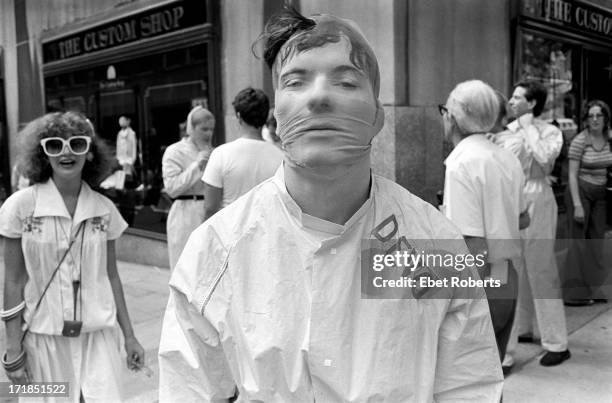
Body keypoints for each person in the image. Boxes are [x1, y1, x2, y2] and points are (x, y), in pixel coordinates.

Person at [158, 8, 502, 402]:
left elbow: (469, 384)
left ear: (378, 116)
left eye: (345, 81)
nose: (319, 96)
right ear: (276, 117)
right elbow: (187, 389)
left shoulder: (436, 242)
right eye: (296, 81)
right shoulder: (215, 252)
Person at [0, 112, 145, 401]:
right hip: (43, 341)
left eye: (77, 144)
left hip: (98, 339)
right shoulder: (20, 207)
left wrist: (130, 336)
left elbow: (111, 276)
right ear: (43, 154)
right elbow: (13, 282)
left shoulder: (104, 210)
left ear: (90, 153)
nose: (66, 152)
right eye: (55, 145)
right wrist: (13, 347)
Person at [441, 80, 525, 363]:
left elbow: (471, 242)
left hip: (479, 280)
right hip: (505, 273)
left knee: (468, 378)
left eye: (445, 111)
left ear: (452, 118)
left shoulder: (461, 162)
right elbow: (523, 218)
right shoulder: (506, 157)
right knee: (492, 376)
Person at [495, 80, 570, 368]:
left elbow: (545, 159)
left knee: (541, 267)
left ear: (532, 103)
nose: (511, 101)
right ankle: (514, 337)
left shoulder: (550, 131)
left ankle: (556, 342)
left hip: (539, 196)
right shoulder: (505, 133)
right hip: (512, 198)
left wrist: (528, 128)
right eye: (511, 97)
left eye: (517, 97)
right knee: (513, 268)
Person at [202, 88, 283, 220]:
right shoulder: (281, 157)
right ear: (265, 116)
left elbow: (210, 207)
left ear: (239, 116)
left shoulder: (220, 154)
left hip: (229, 234)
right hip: (268, 234)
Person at [563, 99, 612, 305]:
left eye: (598, 115)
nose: (594, 119)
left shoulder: (610, 138)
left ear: (605, 118)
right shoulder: (580, 141)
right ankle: (575, 295)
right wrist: (577, 205)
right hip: (580, 191)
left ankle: (594, 288)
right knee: (577, 244)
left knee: (596, 243)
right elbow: (572, 176)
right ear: (585, 119)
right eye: (590, 116)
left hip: (600, 195)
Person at [162, 106, 214, 270]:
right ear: (192, 128)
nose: (209, 134)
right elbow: (172, 188)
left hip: (210, 212)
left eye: (211, 129)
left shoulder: (215, 152)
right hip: (184, 213)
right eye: (204, 129)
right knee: (184, 269)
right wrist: (197, 166)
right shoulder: (174, 151)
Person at [116, 115, 137, 189]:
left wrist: (133, 159)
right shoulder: (119, 134)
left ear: (127, 121)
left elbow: (134, 147)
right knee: (121, 179)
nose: (121, 122)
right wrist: (118, 158)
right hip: (121, 159)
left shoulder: (131, 133)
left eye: (122, 120)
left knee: (128, 178)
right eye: (119, 121)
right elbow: (118, 146)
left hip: (129, 159)